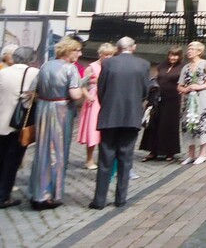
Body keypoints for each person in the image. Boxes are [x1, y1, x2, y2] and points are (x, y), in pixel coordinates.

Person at [88, 36, 150, 210]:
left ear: (117, 48)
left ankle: (99, 200)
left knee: (105, 158)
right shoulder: (143, 64)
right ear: (134, 47)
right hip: (131, 116)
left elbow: (101, 89)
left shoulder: (108, 64)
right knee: (125, 157)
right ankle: (121, 198)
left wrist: (108, 105)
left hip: (109, 116)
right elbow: (145, 91)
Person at [28, 36, 83, 210]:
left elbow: (32, 91)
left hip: (43, 108)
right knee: (57, 151)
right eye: (77, 50)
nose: (80, 54)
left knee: (42, 150)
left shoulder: (45, 65)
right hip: (61, 109)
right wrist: (83, 85)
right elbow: (75, 95)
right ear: (69, 51)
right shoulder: (70, 69)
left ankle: (37, 192)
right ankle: (51, 194)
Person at [0, 46, 38, 208]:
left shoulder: (3, 72)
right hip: (20, 124)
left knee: (1, 159)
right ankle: (3, 196)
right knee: (12, 161)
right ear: (30, 58)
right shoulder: (34, 73)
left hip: (1, 122)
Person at [140, 46, 184, 161]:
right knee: (154, 123)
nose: (172, 57)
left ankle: (170, 151)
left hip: (173, 99)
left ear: (179, 56)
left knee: (169, 124)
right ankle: (152, 150)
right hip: (158, 98)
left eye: (175, 55)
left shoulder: (183, 67)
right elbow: (155, 77)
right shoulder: (162, 65)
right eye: (170, 55)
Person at [178, 41, 206, 165]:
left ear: (199, 51)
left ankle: (203, 153)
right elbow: (179, 86)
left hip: (202, 98)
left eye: (192, 49)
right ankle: (191, 154)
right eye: (188, 48)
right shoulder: (185, 67)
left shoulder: (205, 64)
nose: (189, 51)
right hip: (188, 100)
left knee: (202, 124)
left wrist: (200, 86)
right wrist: (185, 89)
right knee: (188, 124)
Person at [77, 42, 117, 170]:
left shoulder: (113, 67)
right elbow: (82, 85)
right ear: (100, 54)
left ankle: (103, 159)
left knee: (106, 131)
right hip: (94, 99)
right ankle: (89, 159)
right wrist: (87, 96)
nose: (108, 57)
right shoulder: (91, 67)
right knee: (93, 130)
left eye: (111, 54)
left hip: (107, 98)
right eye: (106, 54)